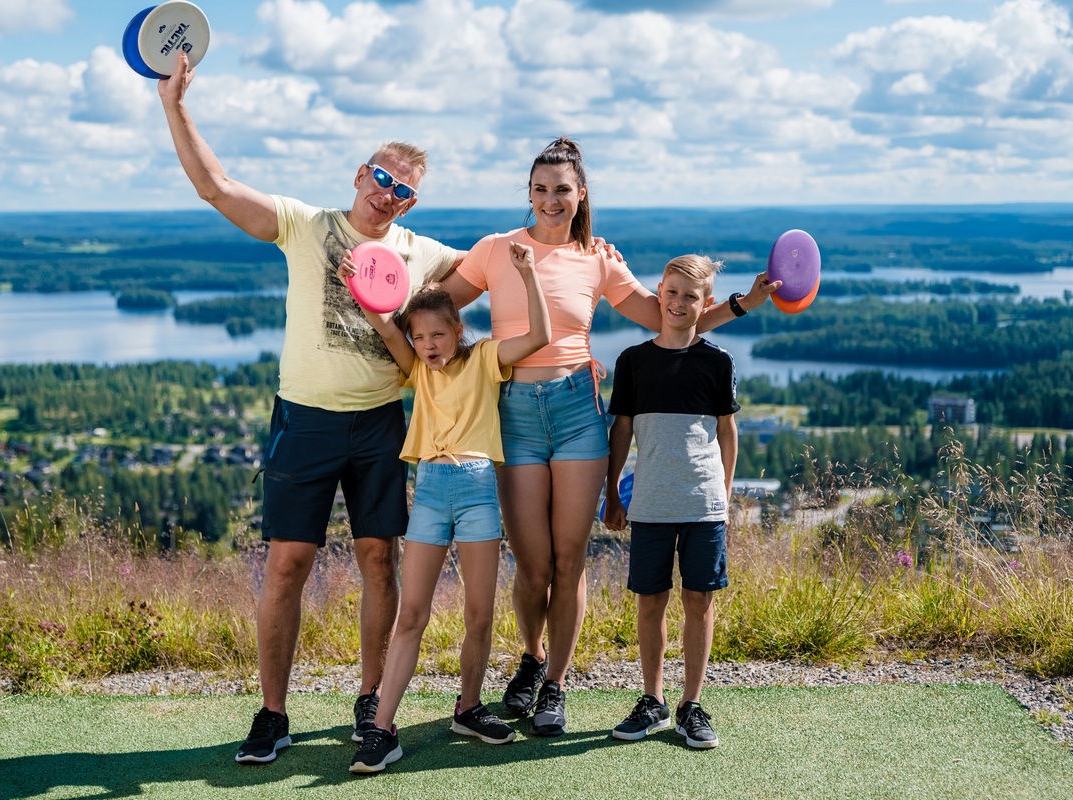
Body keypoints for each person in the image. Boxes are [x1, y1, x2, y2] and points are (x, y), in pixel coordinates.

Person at [156, 52, 462, 763]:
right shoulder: (305, 224)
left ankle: (368, 701)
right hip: (305, 418)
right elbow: (215, 185)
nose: (389, 195)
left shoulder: (423, 255)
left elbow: (502, 263)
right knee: (289, 562)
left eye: (404, 192)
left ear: (413, 205)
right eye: (383, 179)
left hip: (382, 422)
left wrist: (572, 238)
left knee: (378, 558)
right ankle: (272, 713)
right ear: (360, 174)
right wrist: (175, 103)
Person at [439, 137, 776, 737]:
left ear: (581, 194)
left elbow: (669, 316)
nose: (550, 200)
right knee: (533, 565)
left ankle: (554, 687)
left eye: (562, 189)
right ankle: (533, 656)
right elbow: (439, 309)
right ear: (530, 193)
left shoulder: (596, 258)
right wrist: (386, 303)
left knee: (569, 560)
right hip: (512, 410)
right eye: (539, 189)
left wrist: (743, 304)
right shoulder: (495, 251)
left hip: (575, 410)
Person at [342, 241, 551, 774]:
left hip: (480, 488)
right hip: (432, 492)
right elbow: (385, 326)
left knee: (479, 614)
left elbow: (540, 337)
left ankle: (469, 707)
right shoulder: (419, 370)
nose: (428, 344)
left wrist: (527, 276)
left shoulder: (484, 359)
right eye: (420, 337)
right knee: (411, 613)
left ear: (458, 331)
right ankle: (383, 728)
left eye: (438, 334)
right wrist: (362, 284)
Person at [602, 254, 738, 750]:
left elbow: (727, 431)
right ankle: (654, 700)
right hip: (651, 502)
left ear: (705, 305)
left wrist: (723, 494)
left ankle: (691, 705)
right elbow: (620, 431)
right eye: (673, 291)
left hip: (703, 504)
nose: (679, 303)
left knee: (699, 602)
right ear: (659, 290)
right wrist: (612, 490)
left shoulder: (717, 362)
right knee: (650, 603)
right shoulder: (633, 361)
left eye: (691, 296)